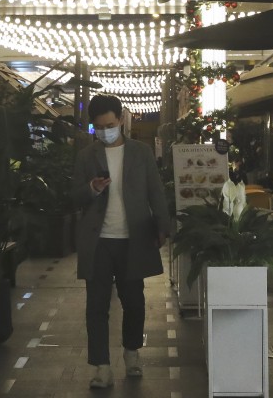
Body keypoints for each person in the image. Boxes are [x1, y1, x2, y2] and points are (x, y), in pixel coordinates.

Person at [72, 94, 170, 389]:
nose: (105, 131)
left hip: (133, 238)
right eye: (99, 127)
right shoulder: (86, 156)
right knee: (96, 306)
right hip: (98, 240)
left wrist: (163, 226)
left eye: (110, 125)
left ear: (121, 121)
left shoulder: (141, 153)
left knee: (135, 302)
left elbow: (155, 191)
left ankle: (131, 352)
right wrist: (92, 188)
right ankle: (101, 366)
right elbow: (73, 197)